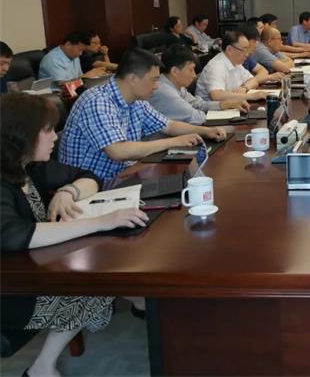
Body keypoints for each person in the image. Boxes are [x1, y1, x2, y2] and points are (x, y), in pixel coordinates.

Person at [1, 93, 148, 377]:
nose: (55, 137)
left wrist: (69, 191)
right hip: (12, 290)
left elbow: (89, 176)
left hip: (34, 268)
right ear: (21, 136)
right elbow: (12, 235)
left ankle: (42, 367)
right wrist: (101, 222)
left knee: (103, 269)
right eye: (47, 130)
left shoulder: (28, 166)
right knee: (97, 283)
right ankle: (42, 368)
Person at [59, 48, 226, 181]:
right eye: (154, 79)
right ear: (133, 79)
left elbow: (168, 125)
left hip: (125, 175)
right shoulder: (97, 101)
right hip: (93, 186)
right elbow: (118, 151)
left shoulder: (136, 100)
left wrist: (205, 131)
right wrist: (175, 141)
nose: (157, 86)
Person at [148, 45, 249, 124]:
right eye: (191, 70)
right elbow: (194, 117)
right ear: (175, 71)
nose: (194, 75)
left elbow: (198, 104)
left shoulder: (176, 84)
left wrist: (225, 104)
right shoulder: (164, 91)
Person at [195, 29, 269, 102]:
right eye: (244, 50)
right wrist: (251, 96)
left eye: (247, 49)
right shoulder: (216, 66)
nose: (247, 54)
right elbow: (216, 95)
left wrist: (244, 88)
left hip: (230, 106)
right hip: (210, 109)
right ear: (229, 49)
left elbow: (253, 80)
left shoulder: (235, 62)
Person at [38, 32, 107, 82]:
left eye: (82, 51)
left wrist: (95, 77)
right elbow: (63, 86)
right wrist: (86, 76)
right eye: (79, 50)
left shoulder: (74, 56)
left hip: (74, 92)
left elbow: (79, 78)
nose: (80, 54)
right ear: (68, 45)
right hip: (55, 95)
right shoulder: (53, 59)